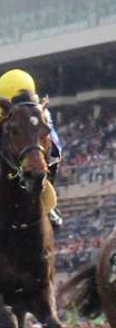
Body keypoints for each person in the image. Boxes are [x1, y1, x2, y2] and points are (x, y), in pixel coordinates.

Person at [0, 69, 64, 229]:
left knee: (54, 154)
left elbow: (53, 142)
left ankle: (47, 205)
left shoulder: (41, 112)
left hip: (30, 154)